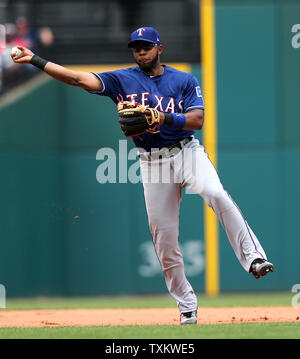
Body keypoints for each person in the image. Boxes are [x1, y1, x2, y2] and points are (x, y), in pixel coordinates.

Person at [11, 27, 274, 325]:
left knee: (214, 192)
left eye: (146, 46)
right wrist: (35, 60)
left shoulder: (184, 79)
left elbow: (197, 120)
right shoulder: (121, 79)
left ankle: (253, 257)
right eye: (136, 47)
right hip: (152, 162)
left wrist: (161, 117)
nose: (140, 51)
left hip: (186, 151)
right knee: (164, 238)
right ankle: (187, 306)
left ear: (159, 48)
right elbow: (75, 78)